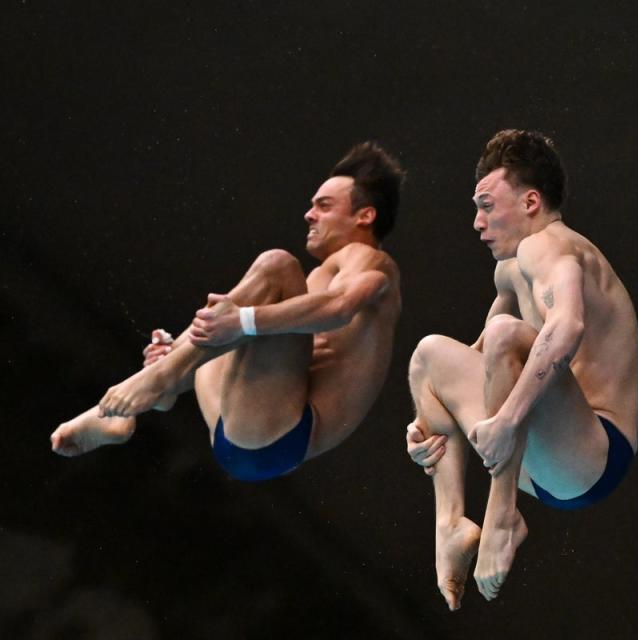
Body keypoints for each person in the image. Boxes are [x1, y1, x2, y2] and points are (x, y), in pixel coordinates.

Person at [51, 142, 404, 482]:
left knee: (275, 267)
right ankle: (156, 386)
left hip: (283, 434)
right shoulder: (314, 285)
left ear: (365, 215)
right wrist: (218, 332)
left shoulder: (373, 262)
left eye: (324, 206)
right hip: (242, 429)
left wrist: (242, 322)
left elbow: (341, 308)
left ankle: (159, 382)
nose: (309, 214)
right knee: (230, 317)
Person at [405, 130, 638, 610]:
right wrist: (429, 427)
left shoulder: (551, 246)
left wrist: (508, 421)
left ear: (531, 201)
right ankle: (450, 525)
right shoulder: (510, 272)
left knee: (507, 335)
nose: (477, 222)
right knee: (429, 356)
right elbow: (479, 363)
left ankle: (501, 514)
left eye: (487, 205)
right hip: (547, 456)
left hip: (594, 452)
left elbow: (568, 324)